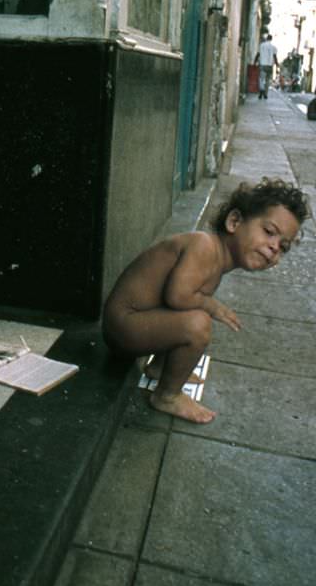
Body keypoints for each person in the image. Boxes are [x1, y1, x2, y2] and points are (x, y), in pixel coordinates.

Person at [102, 178, 309, 425]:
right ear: (234, 222)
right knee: (197, 324)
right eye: (269, 232)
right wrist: (213, 307)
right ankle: (167, 395)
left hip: (134, 325)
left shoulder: (217, 257)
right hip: (123, 327)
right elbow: (177, 296)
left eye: (283, 246)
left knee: (192, 312)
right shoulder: (204, 245)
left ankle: (159, 368)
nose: (275, 247)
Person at [254, 34, 279, 99]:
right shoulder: (274, 47)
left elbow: (258, 54)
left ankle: (261, 90)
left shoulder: (262, 45)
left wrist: (255, 61)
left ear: (267, 38)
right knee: (268, 80)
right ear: (271, 39)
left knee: (261, 79)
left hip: (262, 64)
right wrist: (277, 65)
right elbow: (275, 57)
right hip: (270, 65)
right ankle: (265, 93)